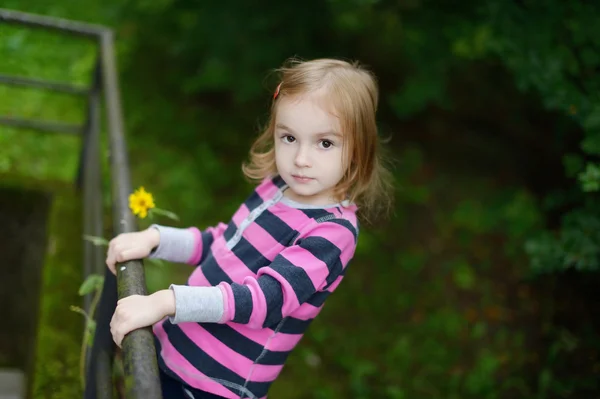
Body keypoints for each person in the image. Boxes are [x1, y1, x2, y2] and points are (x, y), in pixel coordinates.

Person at [105, 57, 393, 399]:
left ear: (358, 150)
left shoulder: (332, 232)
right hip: (174, 350)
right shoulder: (277, 188)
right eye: (289, 137)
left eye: (325, 143)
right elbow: (222, 242)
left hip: (214, 385)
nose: (301, 158)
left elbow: (263, 301)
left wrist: (168, 301)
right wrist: (155, 240)